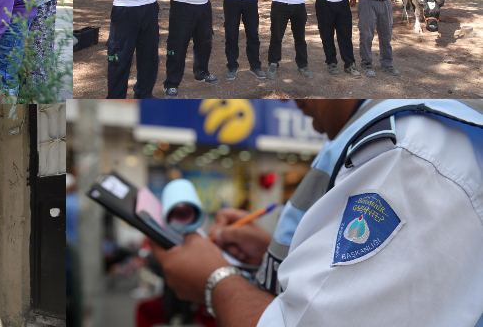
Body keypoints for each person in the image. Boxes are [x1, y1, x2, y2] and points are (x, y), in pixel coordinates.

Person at [149, 99, 483, 327]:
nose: (286, 99)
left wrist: (214, 278)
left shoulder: (405, 157)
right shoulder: (384, 139)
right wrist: (271, 255)